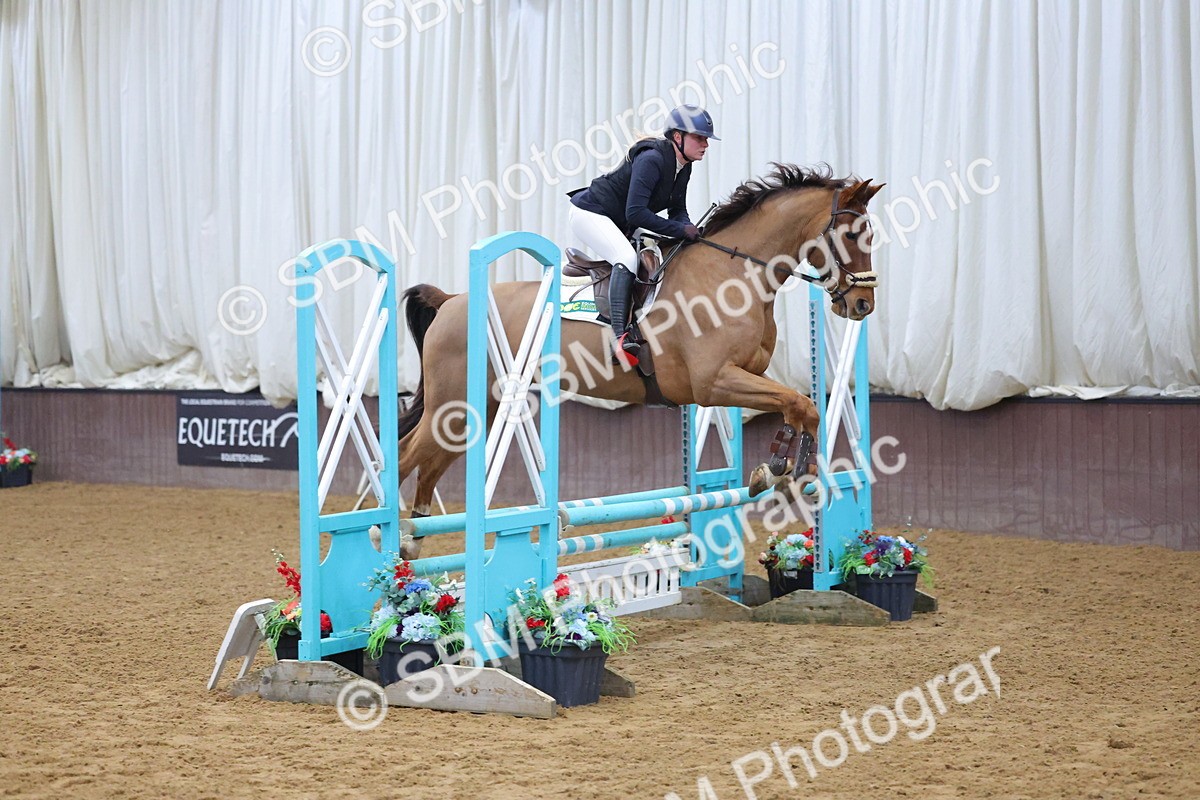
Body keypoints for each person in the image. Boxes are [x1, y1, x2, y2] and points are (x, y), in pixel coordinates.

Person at [568, 104, 718, 366]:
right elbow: (636, 213)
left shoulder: (684, 165)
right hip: (590, 213)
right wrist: (681, 229)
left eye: (706, 139)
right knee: (625, 257)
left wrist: (690, 232)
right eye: (699, 138)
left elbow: (677, 210)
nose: (705, 144)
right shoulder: (652, 159)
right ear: (678, 137)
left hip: (621, 219)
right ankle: (620, 339)